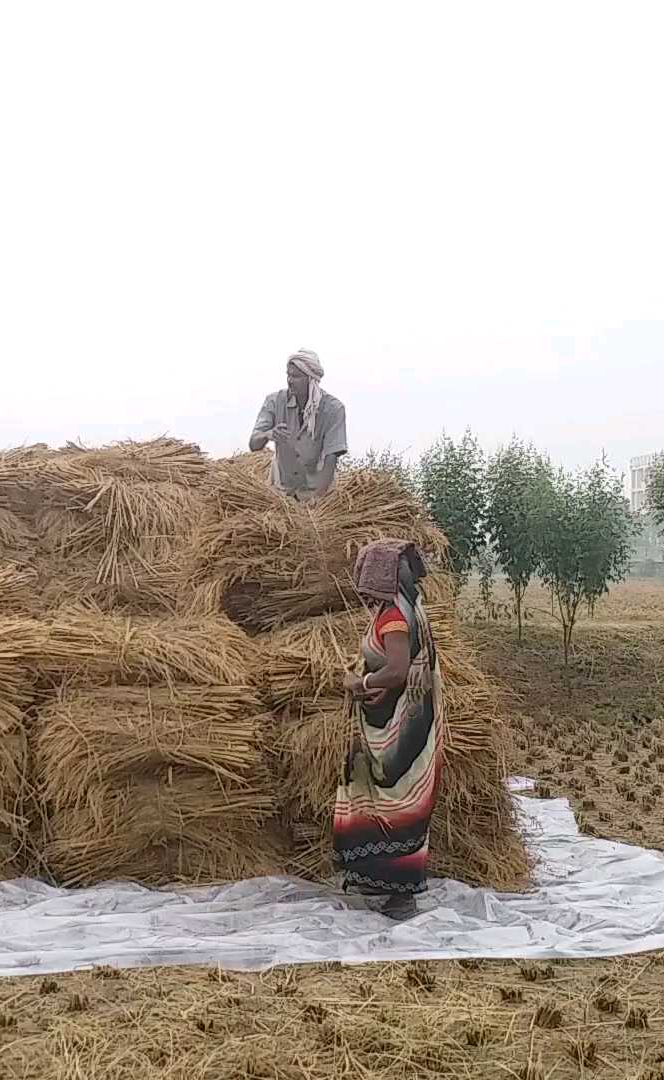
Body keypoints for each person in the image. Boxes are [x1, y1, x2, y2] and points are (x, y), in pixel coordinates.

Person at [333, 538, 441, 920]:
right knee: (383, 803)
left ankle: (401, 895)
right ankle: (379, 881)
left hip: (400, 734)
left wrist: (358, 684)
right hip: (398, 722)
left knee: (396, 806)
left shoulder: (394, 615)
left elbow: (397, 670)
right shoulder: (407, 609)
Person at [249, 349, 347, 502]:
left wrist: (318, 499)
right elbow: (254, 444)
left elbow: (331, 457)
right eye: (288, 375)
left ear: (311, 379)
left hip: (314, 491)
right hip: (280, 491)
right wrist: (269, 434)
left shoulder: (333, 410)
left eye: (296, 376)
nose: (289, 380)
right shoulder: (274, 402)